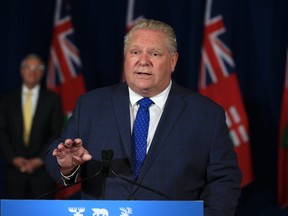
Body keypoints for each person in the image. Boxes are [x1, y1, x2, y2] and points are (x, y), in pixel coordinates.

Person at [44, 19, 242, 215]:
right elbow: (57, 157)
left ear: (172, 61)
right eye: (135, 52)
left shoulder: (206, 114)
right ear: (125, 57)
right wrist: (67, 168)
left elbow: (224, 180)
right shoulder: (92, 105)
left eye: (154, 53)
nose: (143, 61)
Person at [0, 54, 64, 199]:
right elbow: (2, 132)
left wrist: (40, 159)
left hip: (43, 173)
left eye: (38, 68)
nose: (32, 71)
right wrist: (13, 158)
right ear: (21, 70)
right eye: (29, 67)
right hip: (14, 172)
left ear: (42, 73)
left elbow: (56, 133)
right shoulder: (7, 99)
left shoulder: (52, 99)